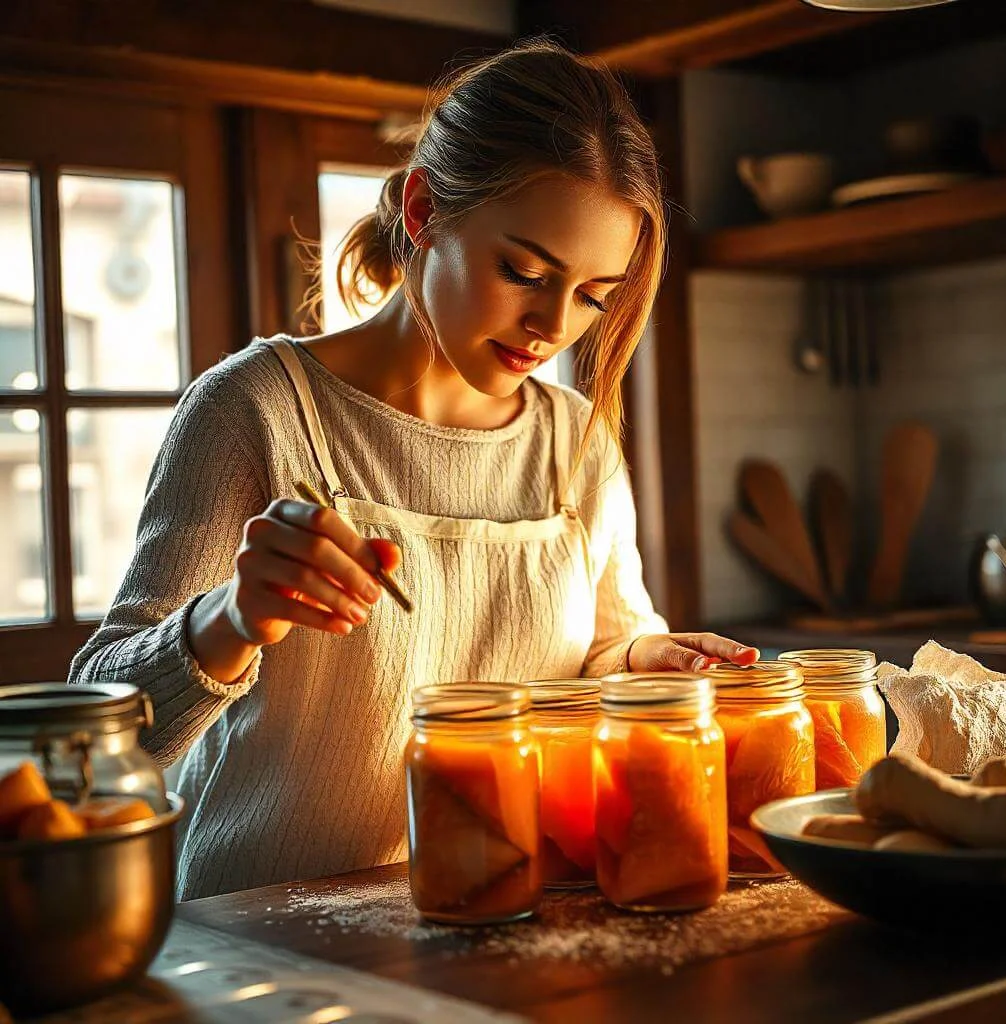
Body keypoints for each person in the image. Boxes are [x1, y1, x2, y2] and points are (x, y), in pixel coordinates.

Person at [69, 38, 758, 901]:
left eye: (592, 295)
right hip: (266, 929)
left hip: (498, 915)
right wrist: (234, 616)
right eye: (523, 271)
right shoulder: (258, 409)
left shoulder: (574, 439)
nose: (551, 326)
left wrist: (648, 659)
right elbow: (96, 732)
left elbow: (600, 653)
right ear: (427, 210)